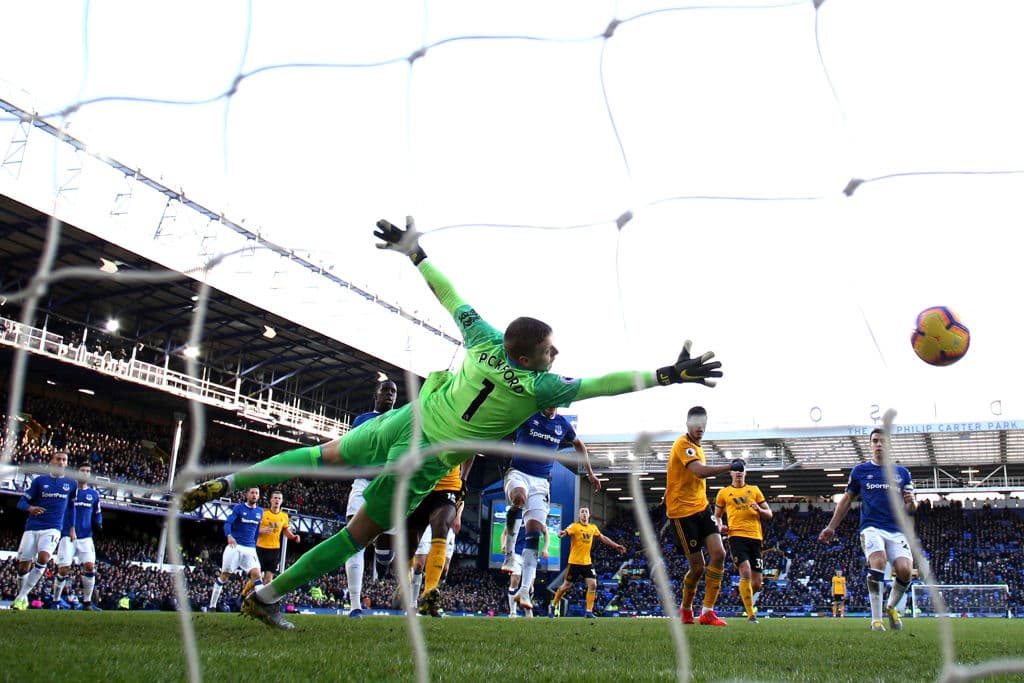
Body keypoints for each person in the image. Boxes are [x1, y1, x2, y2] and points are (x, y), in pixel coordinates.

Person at [181, 216, 722, 630]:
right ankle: (266, 598)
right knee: (355, 536)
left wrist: (415, 252)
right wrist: (668, 374)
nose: (556, 354)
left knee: (322, 455)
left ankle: (227, 482)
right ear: (529, 356)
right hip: (424, 459)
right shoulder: (540, 387)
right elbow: (606, 383)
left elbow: (449, 295)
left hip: (404, 421)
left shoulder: (483, 338)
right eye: (550, 349)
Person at [501, 408, 599, 615]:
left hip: (541, 483)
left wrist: (590, 473)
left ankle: (525, 591)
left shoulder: (562, 424)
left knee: (534, 533)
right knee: (519, 498)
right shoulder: (528, 413)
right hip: (518, 473)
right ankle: (509, 555)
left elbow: (579, 444)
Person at [819, 427, 916, 632]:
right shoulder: (860, 471)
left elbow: (911, 509)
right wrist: (831, 527)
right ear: (870, 445)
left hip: (896, 529)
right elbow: (846, 500)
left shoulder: (902, 473)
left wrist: (911, 502)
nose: (879, 444)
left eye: (883, 441)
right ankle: (876, 620)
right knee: (878, 561)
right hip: (871, 527)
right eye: (875, 441)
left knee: (905, 571)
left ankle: (891, 608)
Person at [666, 406, 745, 626]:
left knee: (719, 554)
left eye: (703, 423)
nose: (699, 427)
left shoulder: (699, 448)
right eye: (696, 423)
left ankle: (708, 611)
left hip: (702, 508)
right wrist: (729, 466)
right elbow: (699, 471)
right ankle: (686, 608)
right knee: (698, 567)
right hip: (682, 513)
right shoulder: (683, 445)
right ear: (687, 424)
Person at [341, 379, 398, 618]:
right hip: (363, 483)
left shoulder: (402, 418)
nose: (389, 394)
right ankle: (355, 604)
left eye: (393, 392)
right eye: (385, 390)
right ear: (376, 394)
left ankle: (383, 561)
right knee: (354, 540)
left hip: (389, 487)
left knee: (387, 545)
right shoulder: (361, 420)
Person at [404, 457, 471, 617]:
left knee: (442, 530)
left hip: (448, 488)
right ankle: (410, 600)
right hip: (422, 485)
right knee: (416, 558)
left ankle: (429, 596)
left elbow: (471, 452)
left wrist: (463, 478)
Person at [11, 450, 77, 611]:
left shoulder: (71, 484)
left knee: (43, 558)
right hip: (32, 527)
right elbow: (21, 503)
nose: (61, 462)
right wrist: (30, 508)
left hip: (53, 528)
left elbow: (71, 508)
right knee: (23, 567)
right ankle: (22, 598)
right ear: (51, 462)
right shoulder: (39, 481)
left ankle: (20, 598)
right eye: (58, 459)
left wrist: (72, 527)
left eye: (64, 460)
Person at [714, 464, 771, 623]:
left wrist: (759, 510)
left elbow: (769, 513)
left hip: (755, 538)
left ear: (746, 473)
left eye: (741, 470)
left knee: (757, 584)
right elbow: (717, 516)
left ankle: (745, 597)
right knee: (745, 571)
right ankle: (751, 615)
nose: (738, 472)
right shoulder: (724, 493)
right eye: (736, 470)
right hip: (736, 536)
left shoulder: (754, 490)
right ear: (730, 473)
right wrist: (720, 526)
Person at [549, 506, 625, 618]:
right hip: (574, 562)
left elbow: (602, 537)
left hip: (587, 563)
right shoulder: (575, 526)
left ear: (589, 515)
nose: (584, 514)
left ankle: (589, 612)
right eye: (582, 512)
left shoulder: (593, 528)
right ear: (579, 515)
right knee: (566, 586)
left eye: (586, 512)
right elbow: (567, 531)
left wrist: (616, 545)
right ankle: (552, 605)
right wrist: (563, 533)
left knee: (593, 585)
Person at [52, 462, 104, 611]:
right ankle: (55, 601)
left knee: (90, 567)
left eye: (88, 471)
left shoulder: (94, 494)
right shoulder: (69, 491)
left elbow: (97, 513)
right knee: (63, 569)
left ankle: (87, 602)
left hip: (86, 536)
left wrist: (99, 523)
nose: (85, 473)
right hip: (67, 535)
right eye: (82, 470)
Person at [209, 486, 264, 612]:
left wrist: (254, 544)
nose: (254, 495)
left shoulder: (260, 511)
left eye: (256, 493)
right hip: (235, 547)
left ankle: (262, 607)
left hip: (250, 548)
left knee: (257, 575)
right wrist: (229, 535)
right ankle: (212, 606)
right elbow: (228, 523)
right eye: (252, 492)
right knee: (224, 576)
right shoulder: (239, 508)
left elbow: (256, 530)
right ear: (247, 495)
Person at [250, 490, 301, 590]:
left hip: (274, 550)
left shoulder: (284, 516)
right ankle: (245, 595)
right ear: (271, 500)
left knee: (268, 580)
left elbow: (285, 530)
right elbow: (252, 528)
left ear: (282, 501)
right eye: (275, 498)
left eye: (279, 498)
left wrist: (293, 537)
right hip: (260, 548)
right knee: (256, 578)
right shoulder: (263, 513)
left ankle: (262, 598)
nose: (277, 500)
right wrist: (261, 530)